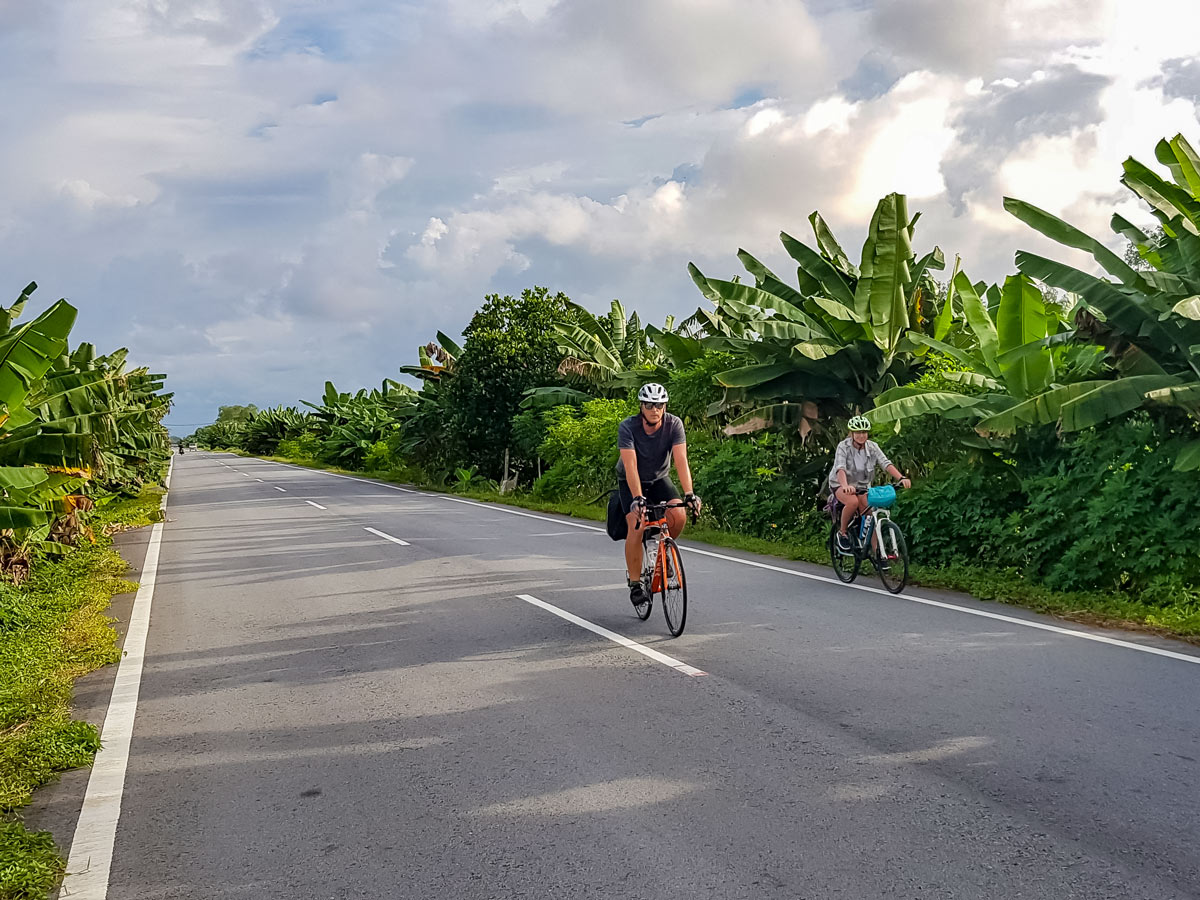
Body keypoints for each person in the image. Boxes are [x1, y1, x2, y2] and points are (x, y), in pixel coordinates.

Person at [617, 383, 701, 607]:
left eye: (660, 405)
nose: (655, 409)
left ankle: (663, 555)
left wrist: (689, 493)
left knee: (679, 515)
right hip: (631, 480)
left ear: (665, 406)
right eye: (649, 404)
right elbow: (630, 465)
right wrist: (637, 498)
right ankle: (635, 584)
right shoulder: (628, 427)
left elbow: (681, 461)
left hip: (658, 479)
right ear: (641, 406)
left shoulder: (674, 424)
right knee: (637, 523)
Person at [828, 415, 910, 553]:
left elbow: (886, 463)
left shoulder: (873, 447)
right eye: (858, 432)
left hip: (862, 486)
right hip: (841, 484)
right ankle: (842, 533)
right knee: (853, 502)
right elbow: (840, 468)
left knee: (871, 517)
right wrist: (845, 486)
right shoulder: (843, 447)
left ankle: (878, 553)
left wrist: (901, 478)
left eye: (864, 432)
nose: (861, 435)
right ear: (852, 433)